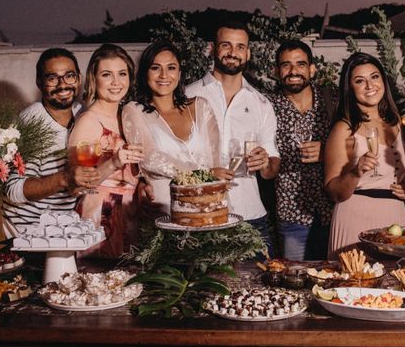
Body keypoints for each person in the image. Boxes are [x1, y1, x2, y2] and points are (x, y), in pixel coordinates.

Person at [186, 21, 279, 256]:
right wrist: (206, 174)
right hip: (201, 215)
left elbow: (272, 166)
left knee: (258, 288)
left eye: (240, 47)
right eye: (226, 45)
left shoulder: (261, 103)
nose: (233, 53)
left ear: (247, 53)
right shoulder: (188, 96)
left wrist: (266, 162)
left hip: (250, 217)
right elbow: (174, 156)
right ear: (212, 48)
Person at [325, 53, 405, 259]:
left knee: (396, 288)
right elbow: (333, 192)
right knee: (355, 286)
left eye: (374, 77)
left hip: (395, 218)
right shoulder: (343, 128)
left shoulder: (395, 122)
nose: (369, 85)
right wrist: (355, 171)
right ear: (350, 88)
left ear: (383, 81)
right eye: (359, 81)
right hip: (356, 217)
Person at [3, 48, 96, 236]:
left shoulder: (83, 114)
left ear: (78, 78)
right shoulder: (30, 122)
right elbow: (13, 190)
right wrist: (65, 178)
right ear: (40, 83)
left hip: (63, 229)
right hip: (26, 234)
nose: (63, 85)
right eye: (52, 78)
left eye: (69, 76)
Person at [122, 40, 221, 217]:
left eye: (171, 68)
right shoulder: (134, 110)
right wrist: (204, 177)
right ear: (145, 73)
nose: (164, 75)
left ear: (180, 73)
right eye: (155, 68)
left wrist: (212, 184)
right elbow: (149, 159)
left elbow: (216, 161)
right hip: (164, 212)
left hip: (207, 209)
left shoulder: (201, 106)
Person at [68, 44, 144, 257]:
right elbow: (75, 187)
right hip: (102, 215)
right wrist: (113, 163)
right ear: (94, 78)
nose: (116, 82)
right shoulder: (89, 121)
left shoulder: (127, 115)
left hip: (131, 213)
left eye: (122, 73)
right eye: (106, 74)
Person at [268, 40, 334, 260]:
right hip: (291, 213)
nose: (293, 71)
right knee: (295, 280)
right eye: (286, 65)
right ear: (277, 71)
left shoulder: (331, 102)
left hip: (332, 211)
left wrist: (328, 152)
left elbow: (352, 143)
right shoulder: (267, 107)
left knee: (333, 281)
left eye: (300, 64)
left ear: (312, 69)